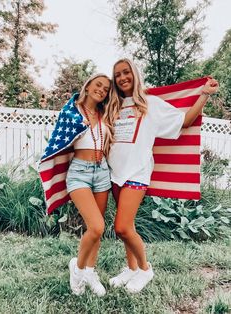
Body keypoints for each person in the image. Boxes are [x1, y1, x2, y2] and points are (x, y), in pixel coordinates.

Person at [104, 58, 219, 294]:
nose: (122, 77)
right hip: (114, 173)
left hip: (137, 173)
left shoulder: (151, 104)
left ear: (134, 74)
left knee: (122, 227)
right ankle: (131, 268)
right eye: (117, 74)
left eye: (126, 72)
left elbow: (185, 121)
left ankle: (145, 269)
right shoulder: (113, 106)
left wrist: (204, 95)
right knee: (128, 225)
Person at [39, 74, 112, 297]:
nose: (102, 90)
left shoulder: (104, 114)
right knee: (97, 226)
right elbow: (58, 143)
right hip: (79, 172)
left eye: (106, 88)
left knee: (95, 231)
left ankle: (90, 270)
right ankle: (77, 268)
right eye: (98, 85)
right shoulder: (71, 112)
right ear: (88, 86)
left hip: (102, 172)